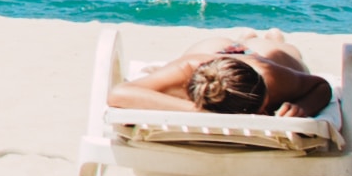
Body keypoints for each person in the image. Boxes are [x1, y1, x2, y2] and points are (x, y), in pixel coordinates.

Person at [110, 32, 332, 117]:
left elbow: (320, 86)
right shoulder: (187, 72)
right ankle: (249, 37)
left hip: (259, 56)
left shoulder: (270, 77)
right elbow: (118, 94)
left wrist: (304, 107)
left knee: (280, 49)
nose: (265, 111)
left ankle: (271, 38)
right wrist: (194, 109)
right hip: (212, 53)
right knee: (221, 44)